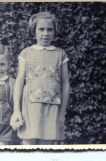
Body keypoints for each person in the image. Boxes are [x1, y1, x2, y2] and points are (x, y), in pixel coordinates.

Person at [10, 12, 71, 145]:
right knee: (28, 147)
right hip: (29, 107)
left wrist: (62, 113)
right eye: (41, 29)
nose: (45, 33)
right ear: (34, 31)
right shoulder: (26, 53)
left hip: (52, 108)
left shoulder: (60, 54)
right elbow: (19, 81)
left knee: (46, 149)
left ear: (54, 31)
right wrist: (17, 110)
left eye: (50, 29)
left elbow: (66, 84)